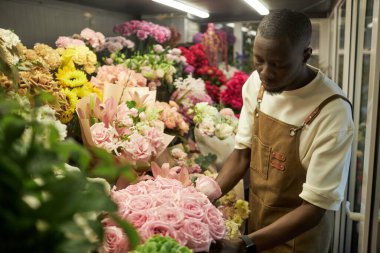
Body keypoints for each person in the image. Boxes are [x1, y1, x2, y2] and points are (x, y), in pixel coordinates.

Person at [215, 9, 354, 253]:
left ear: (305, 55)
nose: (266, 73)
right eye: (258, 61)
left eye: (278, 65)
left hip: (300, 238)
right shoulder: (256, 84)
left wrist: (244, 244)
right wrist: (204, 197)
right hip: (258, 224)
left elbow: (314, 208)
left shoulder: (332, 112)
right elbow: (241, 154)